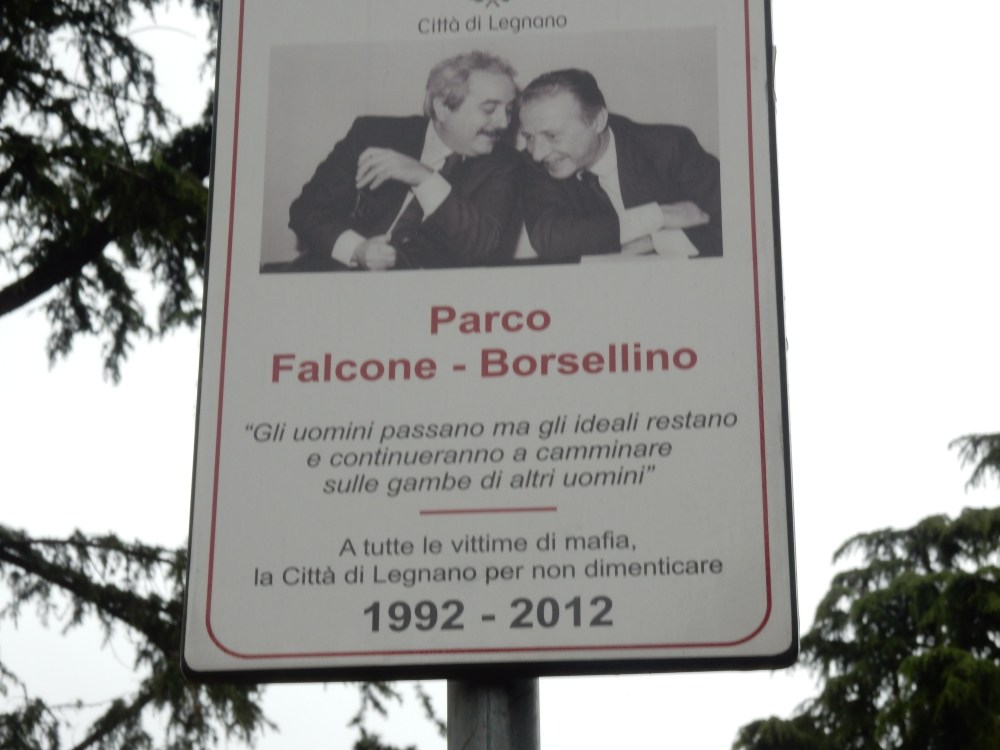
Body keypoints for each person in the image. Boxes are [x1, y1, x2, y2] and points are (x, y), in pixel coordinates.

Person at [287, 51, 521, 270]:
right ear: (442, 108)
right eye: (489, 109)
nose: (504, 123)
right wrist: (357, 250)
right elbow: (307, 211)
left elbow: (484, 246)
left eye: (509, 110)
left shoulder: (504, 164)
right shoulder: (372, 134)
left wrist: (424, 178)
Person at [518, 68, 722, 261]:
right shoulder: (535, 163)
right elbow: (550, 238)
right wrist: (656, 216)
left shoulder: (669, 147)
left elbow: (731, 225)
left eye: (552, 135)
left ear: (597, 121)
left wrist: (654, 243)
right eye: (529, 137)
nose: (537, 153)